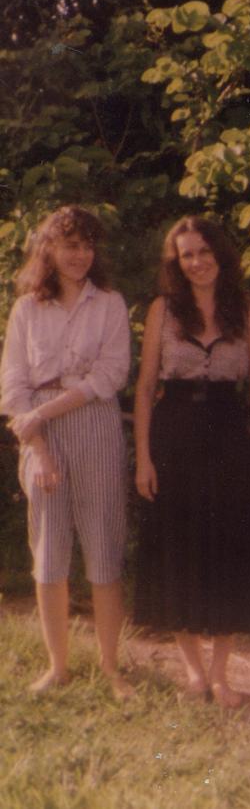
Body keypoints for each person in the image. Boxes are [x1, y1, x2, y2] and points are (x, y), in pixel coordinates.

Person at [133, 215, 250, 707]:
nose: (197, 262)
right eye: (187, 255)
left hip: (227, 434)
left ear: (221, 254)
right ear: (176, 263)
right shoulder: (164, 309)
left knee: (229, 547)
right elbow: (143, 388)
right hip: (173, 433)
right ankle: (193, 670)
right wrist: (142, 457)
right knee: (176, 547)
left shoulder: (248, 312)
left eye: (204, 251)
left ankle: (222, 673)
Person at [0, 205, 131, 698]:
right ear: (49, 249)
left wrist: (44, 415)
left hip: (92, 419)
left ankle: (112, 667)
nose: (79, 255)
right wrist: (39, 447)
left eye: (86, 245)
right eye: (69, 245)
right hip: (38, 434)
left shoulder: (110, 303)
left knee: (103, 544)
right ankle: (58, 667)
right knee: (49, 549)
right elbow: (12, 387)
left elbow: (110, 374)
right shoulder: (27, 308)